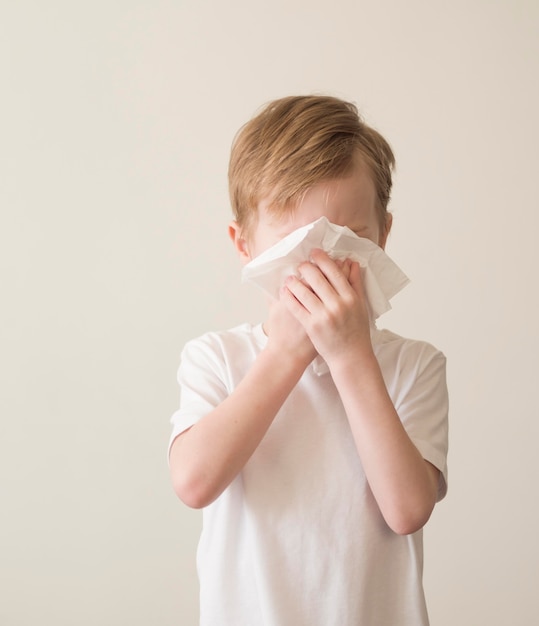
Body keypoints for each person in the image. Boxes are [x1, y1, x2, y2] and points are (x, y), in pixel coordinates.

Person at [168, 95, 449, 626]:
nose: (319, 258)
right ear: (244, 244)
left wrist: (349, 355)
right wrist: (286, 353)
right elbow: (194, 482)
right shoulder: (218, 359)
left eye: (350, 237)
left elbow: (409, 510)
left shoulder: (413, 365)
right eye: (295, 242)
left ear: (383, 237)